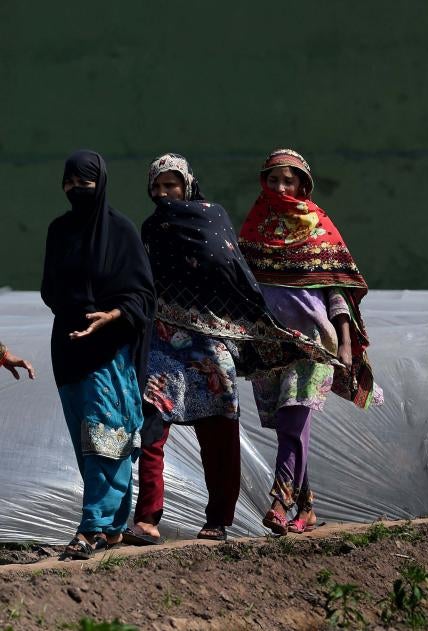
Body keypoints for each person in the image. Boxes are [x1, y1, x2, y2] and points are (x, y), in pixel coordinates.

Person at [125, 154, 334, 545]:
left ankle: (219, 518)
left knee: (219, 433)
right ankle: (148, 518)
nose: (163, 193)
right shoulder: (151, 228)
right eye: (157, 186)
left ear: (187, 184)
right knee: (152, 426)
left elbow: (232, 268)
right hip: (165, 340)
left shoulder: (213, 217)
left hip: (212, 342)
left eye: (171, 185)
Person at [239, 149, 381, 535]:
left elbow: (337, 291)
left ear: (304, 185)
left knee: (292, 419)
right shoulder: (253, 228)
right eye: (273, 180)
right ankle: (307, 507)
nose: (280, 187)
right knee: (291, 426)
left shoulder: (320, 227)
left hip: (315, 344)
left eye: (289, 181)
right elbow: (244, 288)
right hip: (269, 345)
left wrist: (347, 344)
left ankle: (279, 501)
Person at [41, 150, 156, 559]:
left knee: (104, 436)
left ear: (101, 183)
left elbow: (143, 294)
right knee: (86, 440)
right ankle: (111, 526)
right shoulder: (59, 231)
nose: (75, 189)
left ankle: (91, 526)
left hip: (108, 350)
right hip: (69, 349)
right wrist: (74, 309)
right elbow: (49, 290)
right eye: (68, 182)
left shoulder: (121, 232)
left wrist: (112, 314)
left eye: (84, 182)